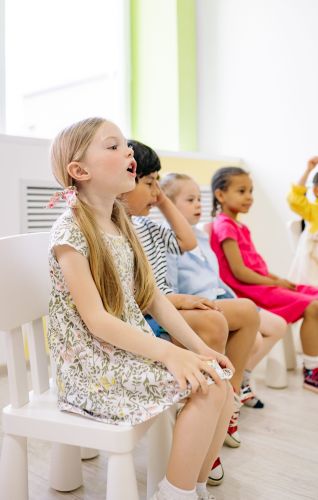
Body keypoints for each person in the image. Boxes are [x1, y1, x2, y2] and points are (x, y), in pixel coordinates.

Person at [48, 117, 235, 500]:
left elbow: (152, 297)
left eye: (126, 145)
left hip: (124, 353)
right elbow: (96, 320)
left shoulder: (120, 222)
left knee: (220, 380)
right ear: (80, 171)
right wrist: (170, 354)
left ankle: (193, 487)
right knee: (207, 388)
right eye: (113, 146)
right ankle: (174, 493)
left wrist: (199, 350)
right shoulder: (70, 232)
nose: (128, 151)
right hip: (91, 369)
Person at [121, 141, 259, 485]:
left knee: (245, 310)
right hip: (150, 315)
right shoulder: (118, 230)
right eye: (149, 183)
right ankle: (208, 416)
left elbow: (188, 241)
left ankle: (230, 400)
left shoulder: (150, 227)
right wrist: (177, 300)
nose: (154, 192)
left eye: (157, 183)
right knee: (214, 319)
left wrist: (160, 196)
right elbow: (131, 295)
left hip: (163, 305)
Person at [160, 172, 287, 410]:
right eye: (190, 200)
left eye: (199, 198)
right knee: (256, 337)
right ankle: (234, 391)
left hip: (223, 296)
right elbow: (172, 288)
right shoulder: (167, 240)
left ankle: (240, 384)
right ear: (167, 204)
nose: (198, 204)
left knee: (277, 325)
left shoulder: (201, 235)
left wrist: (234, 298)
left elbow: (214, 276)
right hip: (204, 304)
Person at [211, 166, 318, 394]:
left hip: (261, 284)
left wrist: (276, 278)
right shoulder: (224, 226)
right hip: (249, 291)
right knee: (313, 305)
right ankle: (311, 370)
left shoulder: (240, 226)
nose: (249, 197)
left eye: (250, 191)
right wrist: (274, 283)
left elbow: (255, 264)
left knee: (314, 293)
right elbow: (239, 272)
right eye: (242, 191)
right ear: (220, 195)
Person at [287, 156, 318, 286]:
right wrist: (308, 170)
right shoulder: (313, 210)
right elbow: (295, 198)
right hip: (311, 269)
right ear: (316, 190)